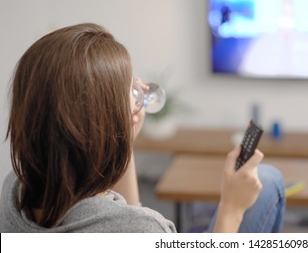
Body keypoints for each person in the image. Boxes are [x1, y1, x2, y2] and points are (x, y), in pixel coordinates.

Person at [0, 23, 285, 232]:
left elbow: (125, 215)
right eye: (127, 87)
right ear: (101, 128)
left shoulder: (14, 188)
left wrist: (124, 142)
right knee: (268, 180)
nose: (139, 89)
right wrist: (232, 208)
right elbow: (132, 223)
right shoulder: (147, 229)